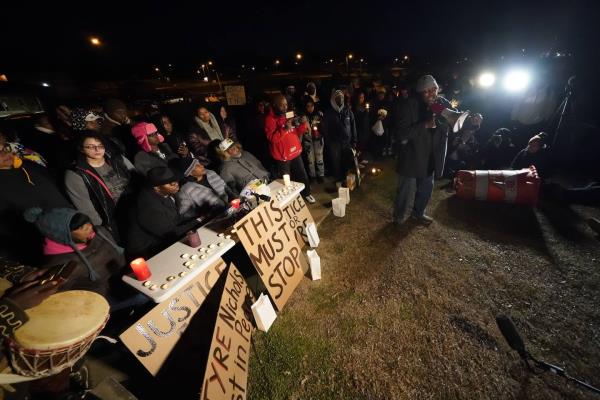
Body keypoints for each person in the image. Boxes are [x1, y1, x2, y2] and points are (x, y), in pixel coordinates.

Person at [24, 207, 124, 299]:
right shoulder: (57, 263)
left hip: (125, 277)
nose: (90, 227)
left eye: (87, 222)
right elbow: (67, 294)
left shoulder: (100, 232)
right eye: (81, 227)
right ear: (63, 234)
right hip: (102, 298)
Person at [392, 75, 453, 225]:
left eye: (434, 89)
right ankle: (399, 217)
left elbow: (454, 120)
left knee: (426, 188)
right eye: (427, 91)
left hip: (430, 155)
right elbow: (401, 134)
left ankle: (418, 213)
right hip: (412, 156)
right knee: (405, 191)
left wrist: (472, 123)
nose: (432, 94)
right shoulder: (408, 106)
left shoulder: (442, 103)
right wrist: (424, 125)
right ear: (419, 93)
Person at [0, 144, 71, 264]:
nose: (5, 154)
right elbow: (10, 229)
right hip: (53, 250)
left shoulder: (28, 166)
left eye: (3, 149)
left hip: (77, 228)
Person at [64, 132, 135, 243]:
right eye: (91, 147)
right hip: (115, 221)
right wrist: (104, 229)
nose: (97, 150)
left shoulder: (117, 159)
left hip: (137, 208)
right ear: (81, 149)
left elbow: (137, 178)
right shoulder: (76, 174)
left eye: (100, 145)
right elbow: (86, 208)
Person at [126, 167, 199, 259]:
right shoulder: (148, 205)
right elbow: (170, 233)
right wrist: (198, 221)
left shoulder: (162, 193)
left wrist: (197, 218)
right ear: (156, 187)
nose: (176, 185)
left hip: (162, 240)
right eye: (172, 183)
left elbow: (175, 218)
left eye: (176, 181)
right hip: (147, 253)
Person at [264, 95, 315, 203]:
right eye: (282, 105)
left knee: (302, 175)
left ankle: (307, 193)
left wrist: (303, 124)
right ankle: (290, 200)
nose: (285, 107)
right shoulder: (270, 119)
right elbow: (272, 138)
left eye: (286, 104)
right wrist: (285, 128)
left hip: (295, 152)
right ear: (275, 105)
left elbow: (295, 132)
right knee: (286, 181)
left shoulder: (287, 115)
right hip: (283, 157)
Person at [321, 90, 358, 187]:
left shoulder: (348, 111)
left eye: (341, 97)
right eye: (337, 98)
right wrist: (329, 143)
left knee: (346, 162)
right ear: (333, 99)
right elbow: (325, 130)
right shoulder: (328, 113)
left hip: (347, 143)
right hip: (334, 144)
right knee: (336, 163)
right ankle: (338, 182)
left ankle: (346, 181)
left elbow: (353, 126)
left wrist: (354, 142)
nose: (340, 99)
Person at [300, 99, 325, 183]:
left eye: (312, 106)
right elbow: (300, 130)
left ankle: (321, 175)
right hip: (308, 140)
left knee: (319, 158)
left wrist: (319, 131)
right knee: (310, 160)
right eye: (308, 106)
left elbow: (324, 127)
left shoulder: (319, 115)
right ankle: (313, 176)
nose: (310, 108)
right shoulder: (303, 117)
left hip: (318, 140)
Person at [353, 91, 371, 159]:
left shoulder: (365, 106)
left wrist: (367, 112)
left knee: (364, 144)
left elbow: (367, 118)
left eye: (363, 97)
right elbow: (358, 118)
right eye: (360, 97)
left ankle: (362, 158)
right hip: (359, 129)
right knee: (359, 145)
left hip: (365, 129)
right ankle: (358, 159)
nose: (362, 99)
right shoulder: (355, 107)